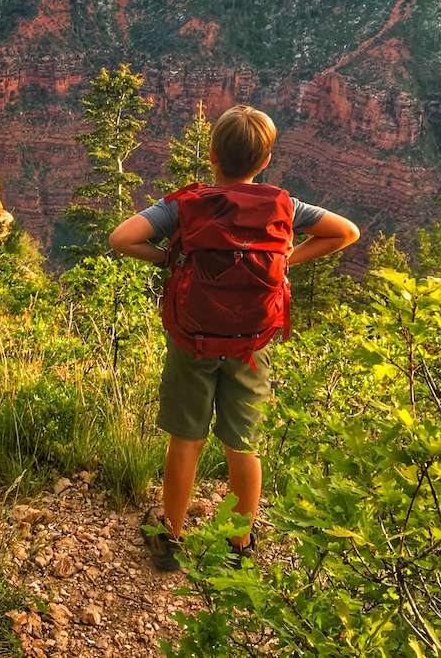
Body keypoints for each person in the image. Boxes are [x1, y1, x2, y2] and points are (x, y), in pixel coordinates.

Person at [108, 105, 359, 571]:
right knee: (242, 443)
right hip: (251, 344)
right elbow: (347, 232)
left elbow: (121, 238)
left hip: (192, 339)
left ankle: (171, 537)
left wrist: (171, 260)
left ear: (211, 155)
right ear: (264, 161)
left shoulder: (185, 205)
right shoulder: (283, 205)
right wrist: (287, 260)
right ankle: (239, 544)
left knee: (186, 439)